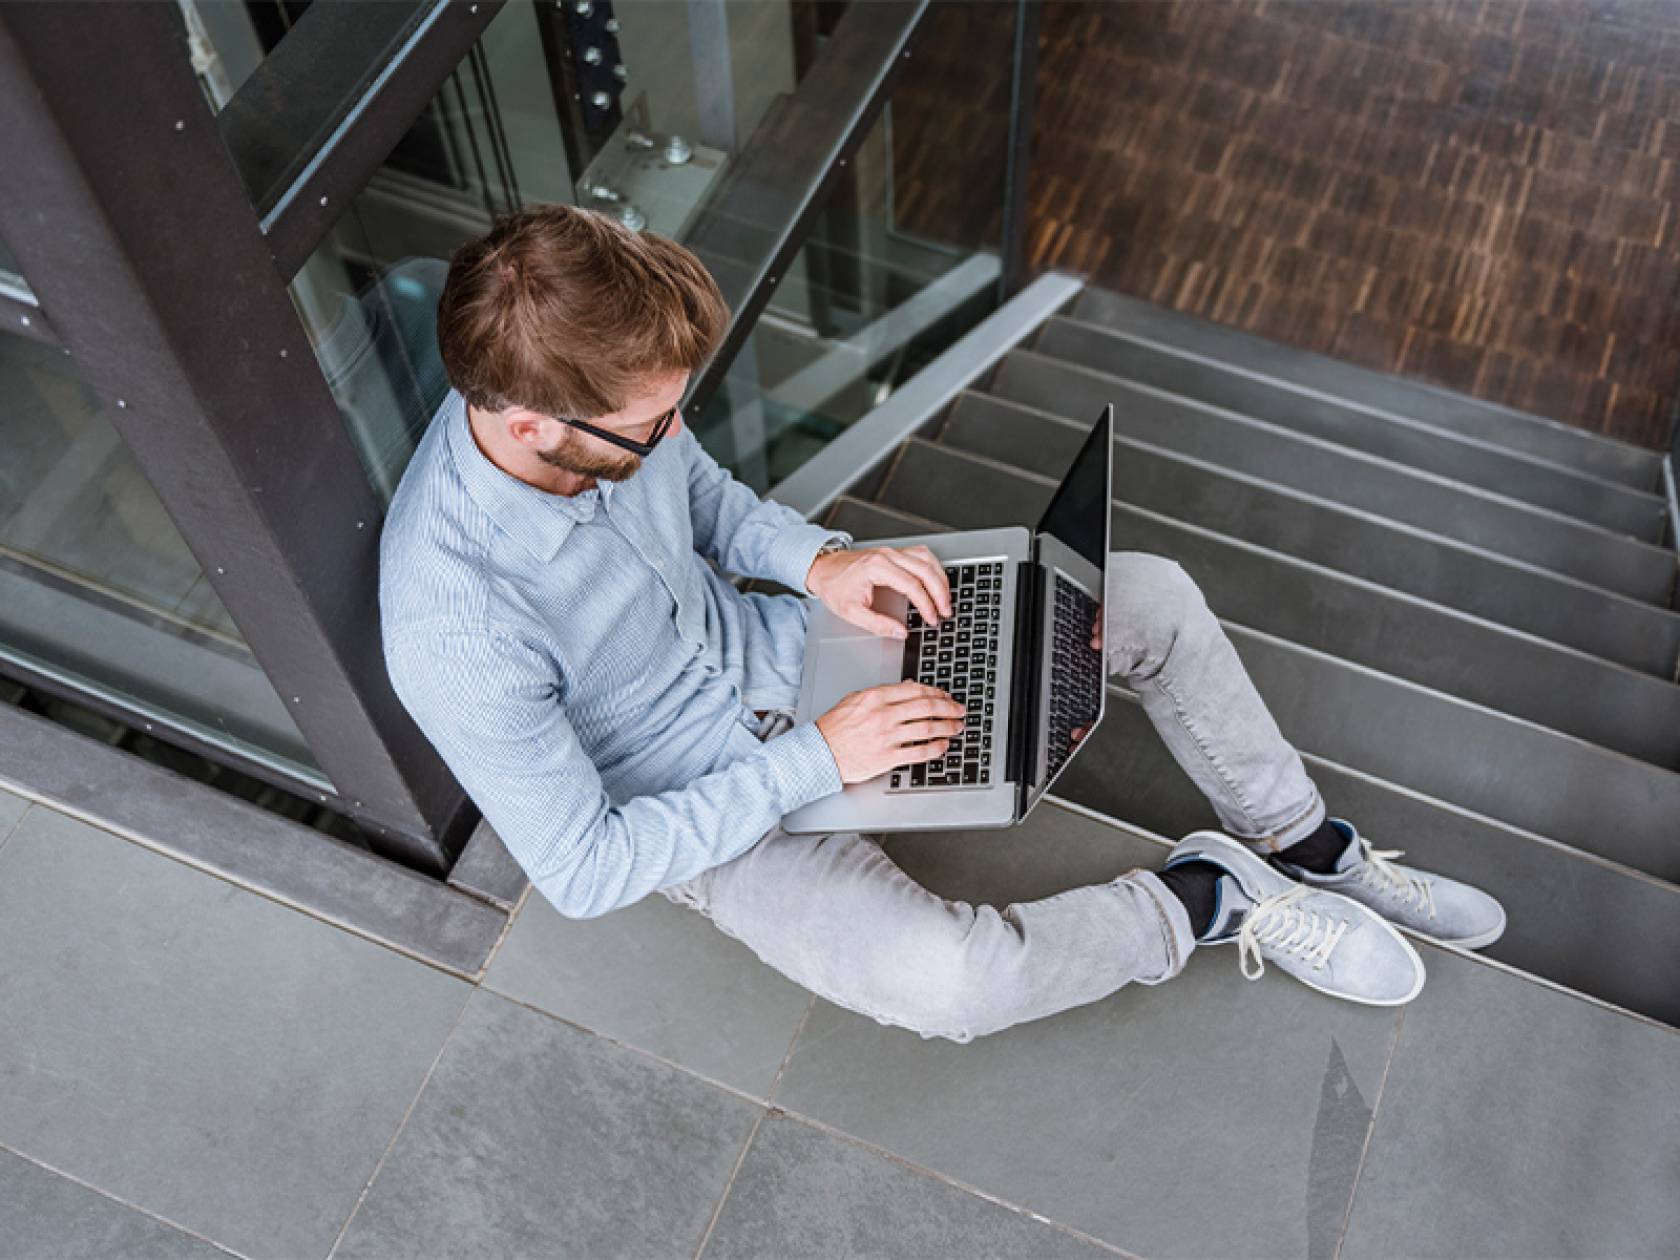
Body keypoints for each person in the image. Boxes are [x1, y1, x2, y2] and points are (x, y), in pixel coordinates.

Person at [379, 205, 1506, 1044]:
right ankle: (1208, 897)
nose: (679, 431)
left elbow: (708, 500)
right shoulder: (454, 626)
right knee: (949, 987)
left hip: (797, 653)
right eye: (654, 422)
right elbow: (582, 868)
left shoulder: (591, 390)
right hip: (716, 817)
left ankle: (1301, 845)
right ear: (529, 425)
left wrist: (821, 562)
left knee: (1144, 594)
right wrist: (819, 760)